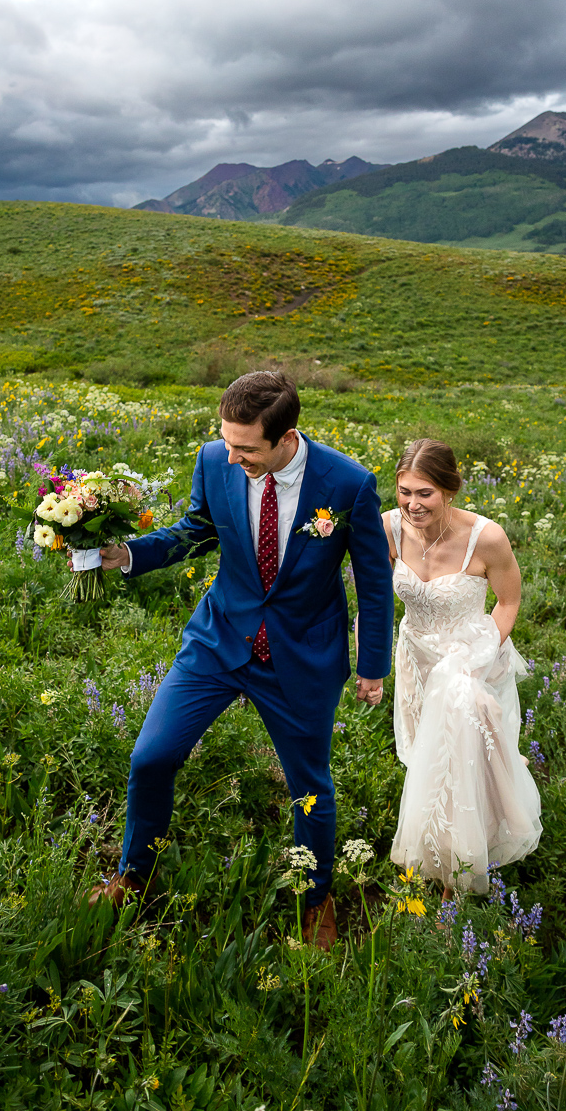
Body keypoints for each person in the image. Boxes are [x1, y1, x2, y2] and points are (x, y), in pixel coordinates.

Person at [90, 371, 394, 949]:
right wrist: (126, 554)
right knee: (151, 758)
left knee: (309, 788)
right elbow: (196, 531)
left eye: (246, 448)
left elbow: (374, 585)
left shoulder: (349, 483)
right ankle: (133, 875)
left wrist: (372, 665)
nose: (232, 458)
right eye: (226, 442)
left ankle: (316, 898)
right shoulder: (214, 460)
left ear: (286, 437)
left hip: (302, 653)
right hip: (219, 639)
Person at [383, 438, 541, 900]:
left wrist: (478, 657)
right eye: (404, 491)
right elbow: (373, 595)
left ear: (449, 490)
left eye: (425, 493)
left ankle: (458, 869)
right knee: (424, 758)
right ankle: (444, 844)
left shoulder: (485, 537)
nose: (412, 504)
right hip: (416, 659)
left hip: (469, 662)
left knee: (462, 761)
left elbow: (509, 601)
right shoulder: (388, 529)